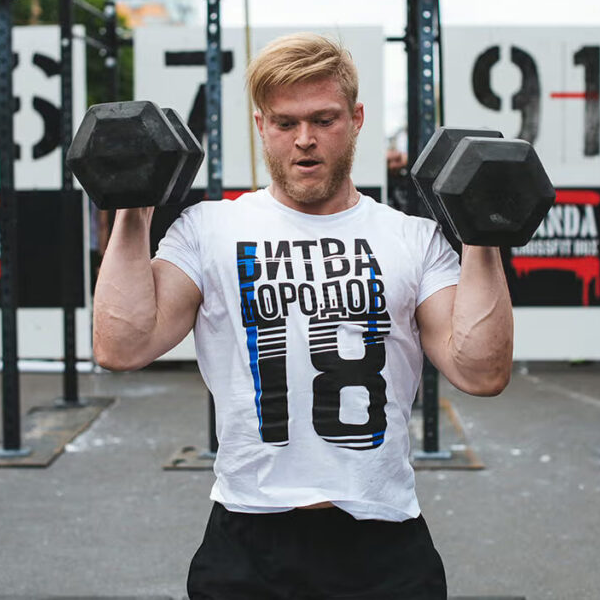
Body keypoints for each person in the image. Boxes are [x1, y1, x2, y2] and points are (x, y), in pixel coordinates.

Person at [94, 33, 513, 599]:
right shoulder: (208, 230)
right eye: (286, 123)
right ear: (261, 125)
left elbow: (480, 373)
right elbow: (122, 347)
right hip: (248, 539)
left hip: (382, 540)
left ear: (357, 118)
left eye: (324, 119)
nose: (306, 141)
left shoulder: (414, 239)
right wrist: (131, 207)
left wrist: (482, 235)